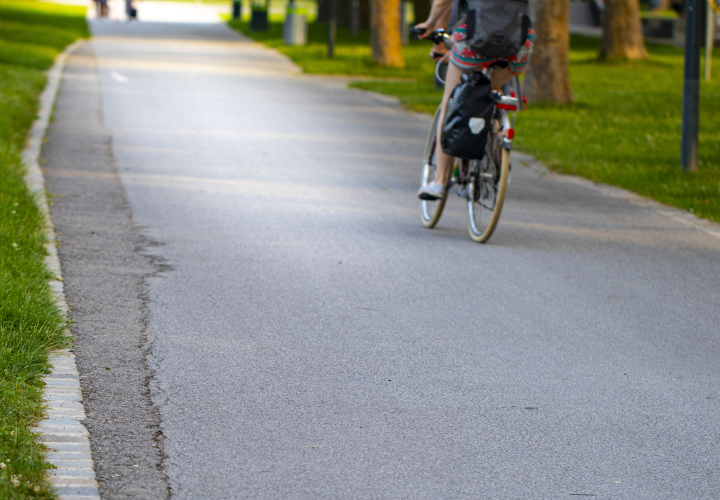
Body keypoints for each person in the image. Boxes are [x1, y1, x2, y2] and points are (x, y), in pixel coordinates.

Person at [416, 0, 535, 201]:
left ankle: (439, 181)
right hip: (517, 44)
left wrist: (429, 24)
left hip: (473, 41)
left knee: (451, 102)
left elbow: (442, 2)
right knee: (491, 92)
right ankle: (496, 155)